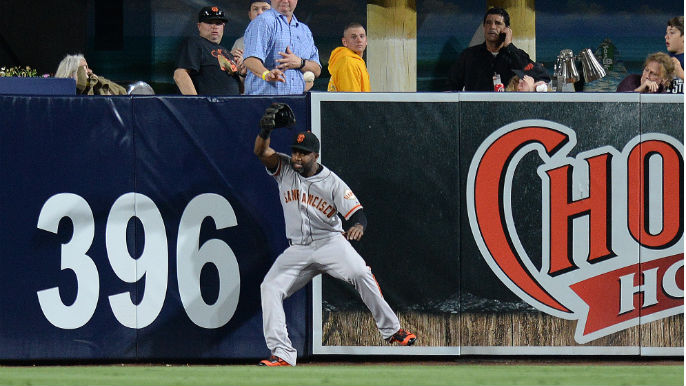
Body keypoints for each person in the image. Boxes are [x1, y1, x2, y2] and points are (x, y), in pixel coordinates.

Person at [253, 103, 417, 367]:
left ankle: (392, 330)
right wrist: (264, 130)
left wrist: (358, 227)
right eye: (295, 151)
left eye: (303, 154)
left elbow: (358, 213)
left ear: (315, 156)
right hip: (298, 248)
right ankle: (282, 354)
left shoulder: (332, 182)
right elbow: (261, 151)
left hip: (330, 242)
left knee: (361, 273)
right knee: (269, 288)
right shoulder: (283, 168)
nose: (296, 157)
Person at [242, 0, 321, 95]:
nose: (284, 0)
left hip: (297, 102)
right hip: (263, 101)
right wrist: (266, 74)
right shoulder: (262, 21)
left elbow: (317, 70)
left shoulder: (304, 31)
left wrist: (300, 63)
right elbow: (250, 59)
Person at [447, 7, 533, 91]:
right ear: (484, 27)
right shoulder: (469, 56)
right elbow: (451, 86)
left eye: (498, 23)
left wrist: (509, 46)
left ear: (507, 29)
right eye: (488, 23)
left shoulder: (515, 55)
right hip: (477, 104)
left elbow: (532, 76)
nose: (492, 27)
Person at [173, 6, 243, 95]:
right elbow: (179, 75)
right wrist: (197, 103)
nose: (214, 26)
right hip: (208, 106)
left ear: (223, 26)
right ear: (199, 26)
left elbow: (239, 89)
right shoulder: (195, 43)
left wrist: (241, 73)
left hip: (232, 106)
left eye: (218, 23)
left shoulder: (226, 52)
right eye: (209, 22)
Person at [232, 1, 272, 83]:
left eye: (264, 9)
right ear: (250, 14)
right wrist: (240, 71)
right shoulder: (240, 43)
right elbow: (237, 84)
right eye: (255, 9)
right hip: (251, 92)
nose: (260, 13)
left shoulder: (282, 38)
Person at [327, 22, 370, 92]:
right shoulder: (348, 62)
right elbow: (352, 99)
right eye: (354, 37)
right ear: (344, 42)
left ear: (366, 41)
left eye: (361, 36)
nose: (359, 40)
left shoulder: (356, 61)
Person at [55, 54, 127, 95]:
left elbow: (122, 92)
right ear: (70, 75)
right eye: (85, 68)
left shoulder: (97, 86)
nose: (90, 71)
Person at [665, 16, 684, 92]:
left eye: (672, 33)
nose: (666, 37)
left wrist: (681, 75)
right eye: (666, 33)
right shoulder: (665, 59)